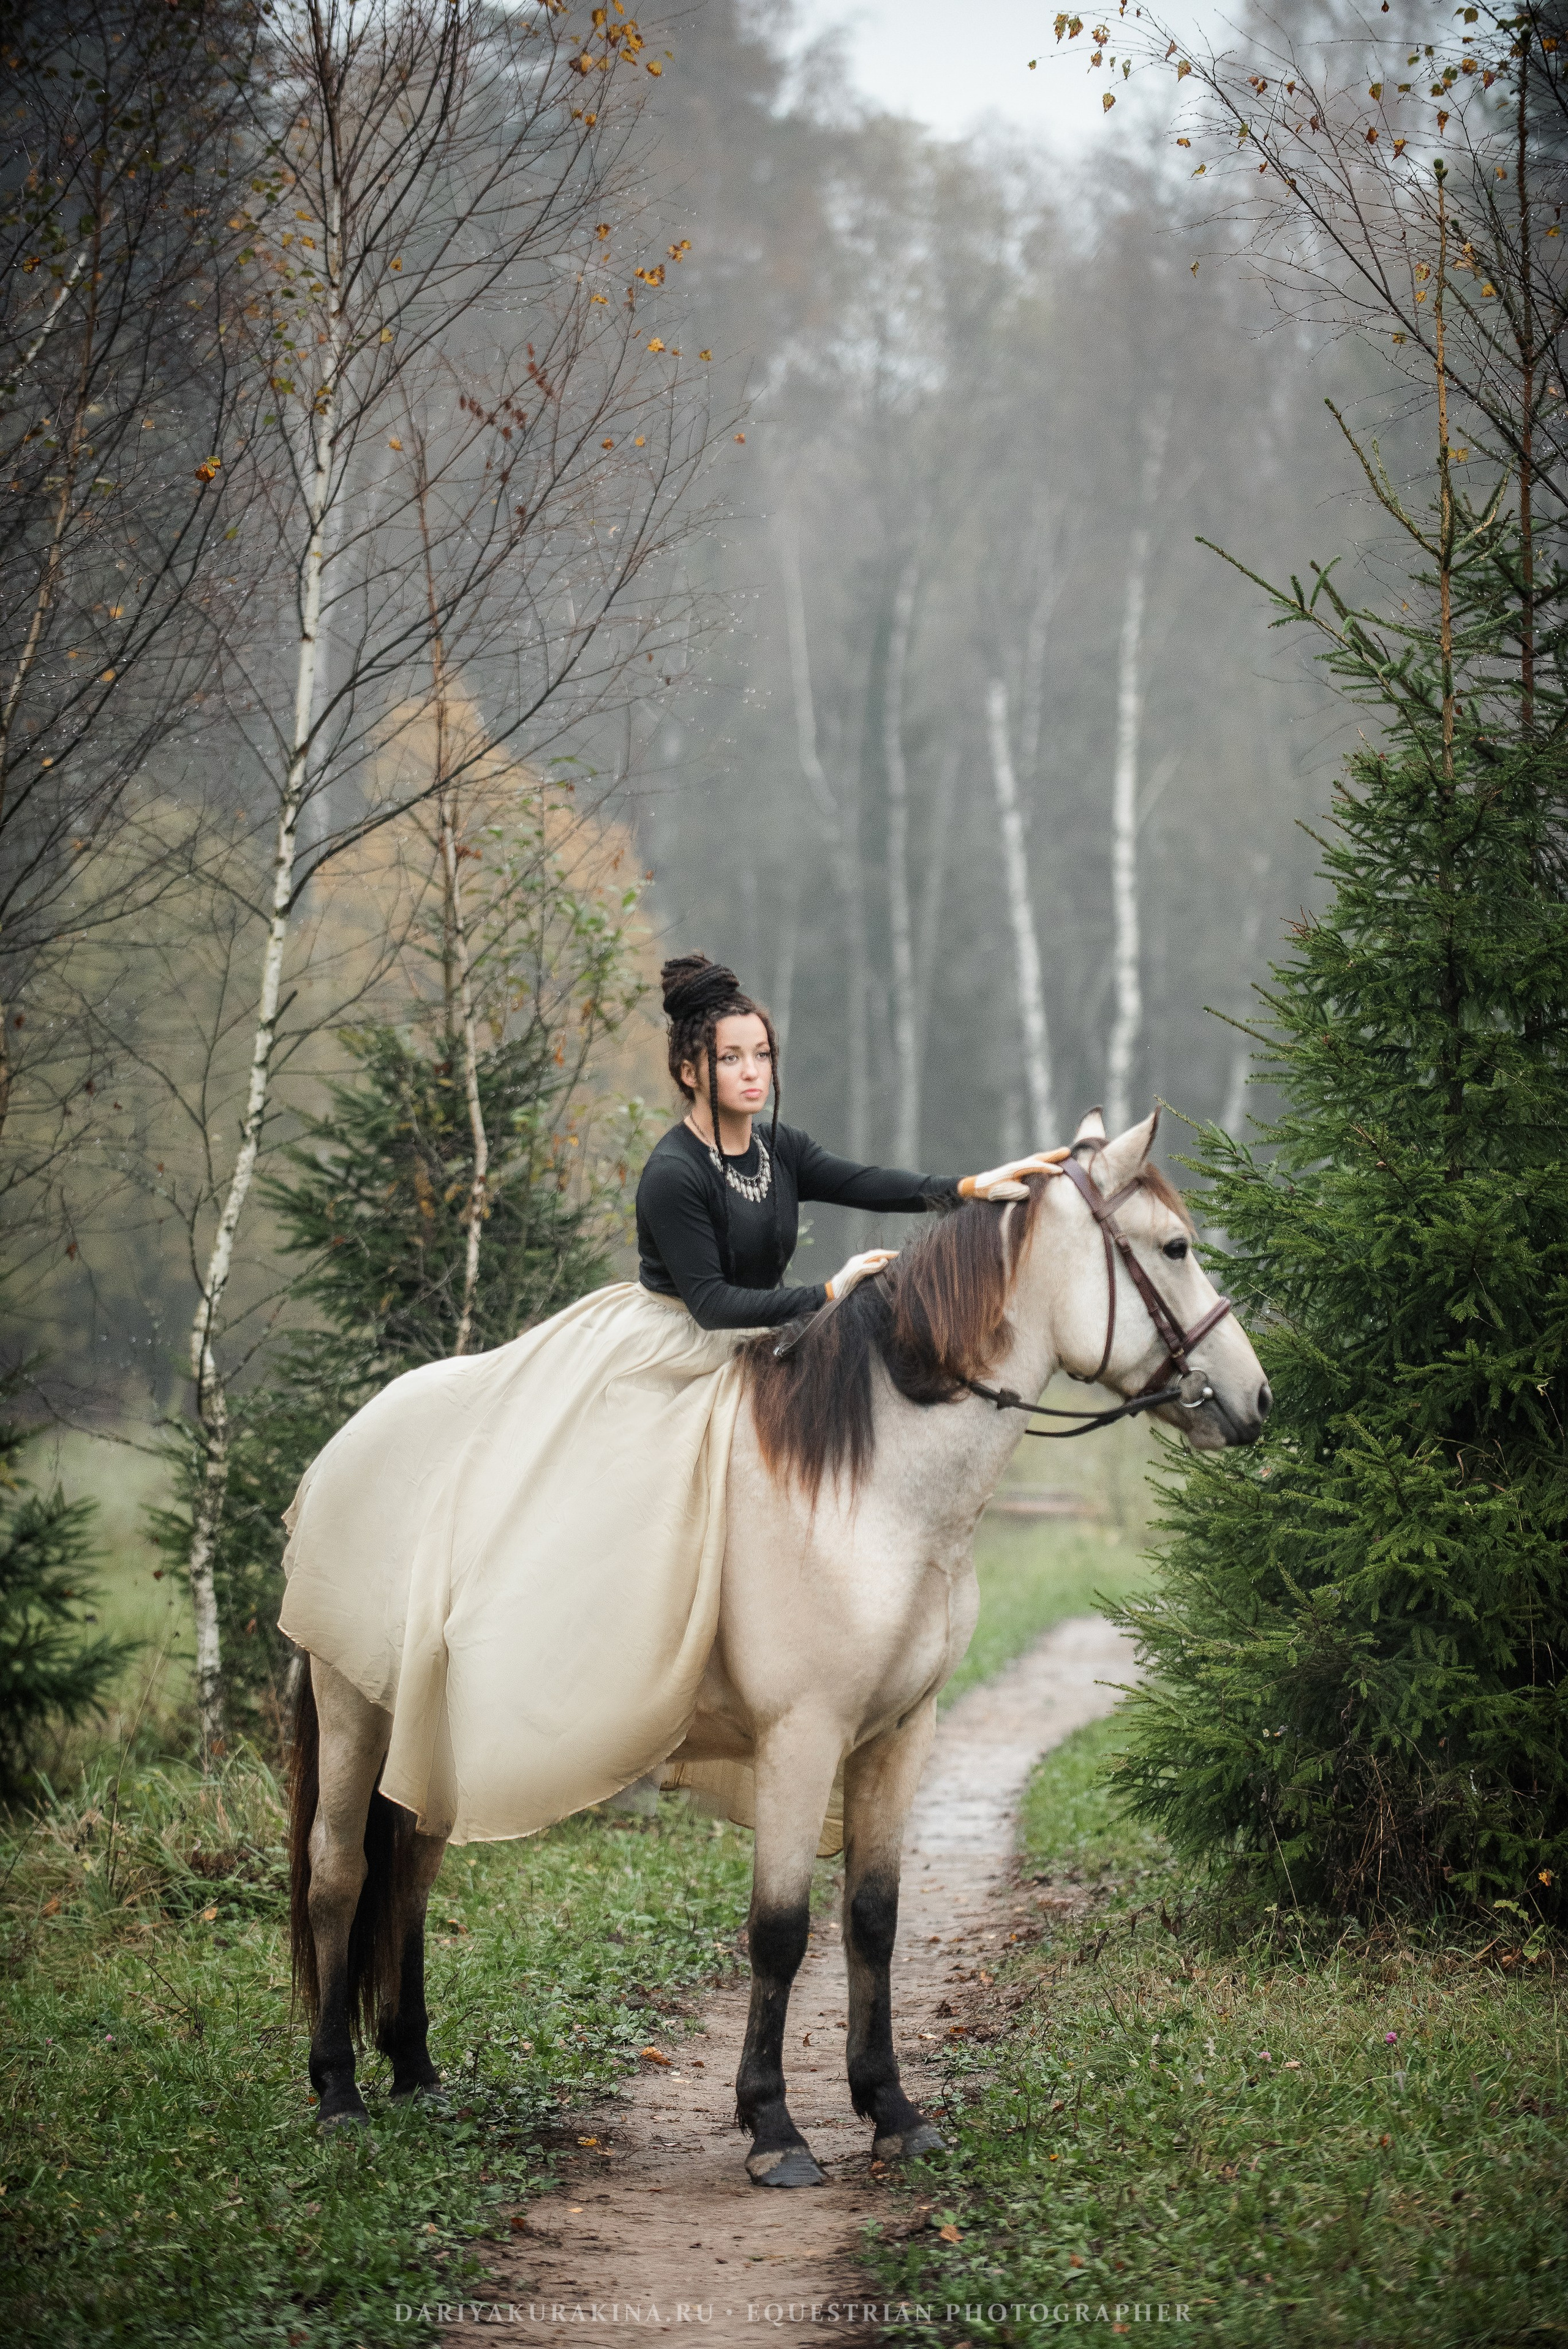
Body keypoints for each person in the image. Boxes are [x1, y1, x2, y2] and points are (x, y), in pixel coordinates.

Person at [277, 952, 1058, 1846]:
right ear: (692, 1068)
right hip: (667, 1349)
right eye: (733, 1058)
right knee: (639, 1507)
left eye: (762, 1054)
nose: (754, 1073)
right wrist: (828, 1294)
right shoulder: (673, 1172)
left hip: (762, 1348)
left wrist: (968, 1190)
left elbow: (864, 1180)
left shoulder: (776, 1151)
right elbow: (714, 1303)